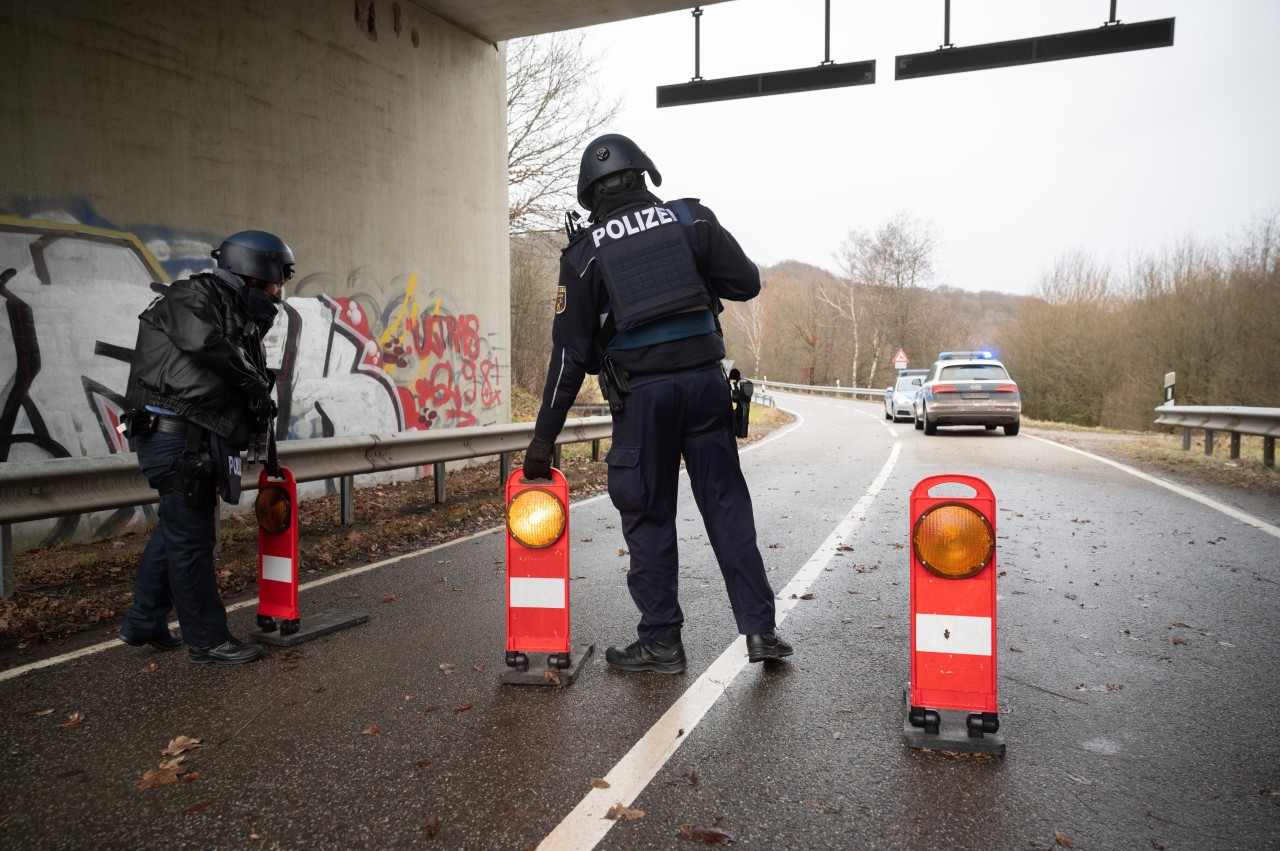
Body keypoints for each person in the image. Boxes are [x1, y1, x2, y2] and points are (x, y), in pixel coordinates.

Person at [523, 133, 792, 674]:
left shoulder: (584, 255)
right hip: (704, 387)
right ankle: (761, 630)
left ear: (590, 194)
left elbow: (571, 357)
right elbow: (746, 282)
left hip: (644, 401)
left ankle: (662, 643)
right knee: (726, 506)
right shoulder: (692, 221)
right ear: (644, 174)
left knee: (648, 515)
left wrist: (542, 440)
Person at [118, 230, 293, 665]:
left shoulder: (233, 309)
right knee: (192, 539)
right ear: (252, 273)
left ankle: (144, 622)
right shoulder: (193, 297)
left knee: (177, 531)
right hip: (174, 436)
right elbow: (208, 347)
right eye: (275, 282)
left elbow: (229, 363)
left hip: (193, 436)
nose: (279, 292)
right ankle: (207, 639)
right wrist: (253, 385)